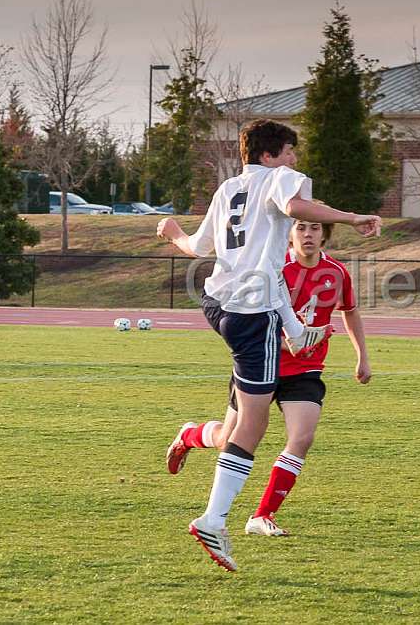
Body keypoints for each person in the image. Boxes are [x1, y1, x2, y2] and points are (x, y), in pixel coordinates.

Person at [156, 119, 381, 571]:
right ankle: (213, 521)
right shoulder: (279, 179)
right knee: (252, 430)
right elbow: (297, 204)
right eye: (290, 152)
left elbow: (199, 246)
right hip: (250, 314)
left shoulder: (227, 190)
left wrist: (172, 232)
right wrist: (353, 217)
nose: (295, 160)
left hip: (219, 303)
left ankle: (198, 437)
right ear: (269, 154)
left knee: (235, 427)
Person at [166, 214, 370, 538]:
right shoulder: (272, 271)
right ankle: (190, 435)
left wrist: (362, 357)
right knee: (226, 441)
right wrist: (289, 335)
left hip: (305, 370)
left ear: (325, 234)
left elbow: (350, 311)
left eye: (314, 228)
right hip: (262, 363)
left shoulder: (337, 272)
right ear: (287, 234)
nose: (307, 234)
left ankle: (262, 515)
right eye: (300, 227)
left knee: (302, 437)